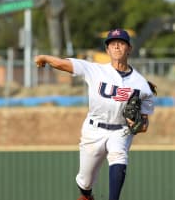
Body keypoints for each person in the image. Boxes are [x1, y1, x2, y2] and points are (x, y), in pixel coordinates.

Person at [34, 28, 156, 200]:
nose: (116, 47)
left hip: (120, 130)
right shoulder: (95, 70)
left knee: (119, 156)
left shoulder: (142, 85)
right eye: (112, 44)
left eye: (121, 43)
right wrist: (45, 58)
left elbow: (144, 124)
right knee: (85, 181)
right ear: (107, 50)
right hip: (94, 129)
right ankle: (86, 195)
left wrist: (138, 126)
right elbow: (64, 64)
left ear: (129, 49)